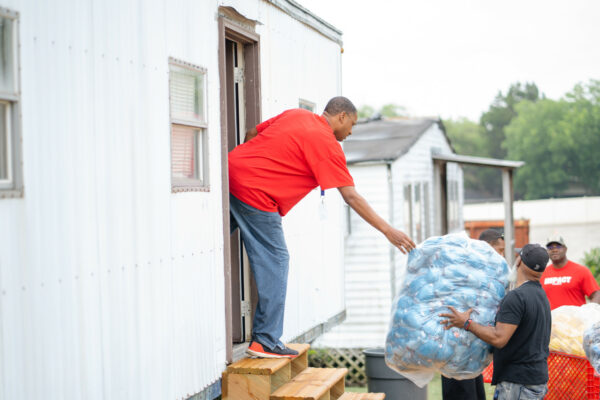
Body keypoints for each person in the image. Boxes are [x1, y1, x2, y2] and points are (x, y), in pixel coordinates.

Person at [228, 96, 416, 359]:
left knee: (213, 242)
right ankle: (265, 341)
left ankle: (265, 338)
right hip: (257, 195)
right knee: (277, 260)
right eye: (352, 124)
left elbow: (251, 133)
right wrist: (388, 230)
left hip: (230, 172)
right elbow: (351, 196)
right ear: (341, 117)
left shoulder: (296, 115)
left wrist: (247, 171)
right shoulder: (328, 145)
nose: (350, 132)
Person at [440, 244, 552, 400]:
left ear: (519, 261)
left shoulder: (517, 297)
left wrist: (466, 323)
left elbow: (499, 338)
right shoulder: (540, 295)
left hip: (518, 382)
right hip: (535, 378)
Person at [441, 228, 505, 400]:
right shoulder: (467, 271)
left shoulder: (485, 274)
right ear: (487, 248)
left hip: (472, 355)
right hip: (458, 355)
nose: (502, 256)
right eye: (500, 250)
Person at [541, 235, 600, 310]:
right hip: (551, 320)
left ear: (565, 249)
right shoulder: (542, 274)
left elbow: (597, 295)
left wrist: (588, 312)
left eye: (558, 246)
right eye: (550, 248)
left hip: (575, 320)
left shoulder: (581, 271)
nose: (554, 250)